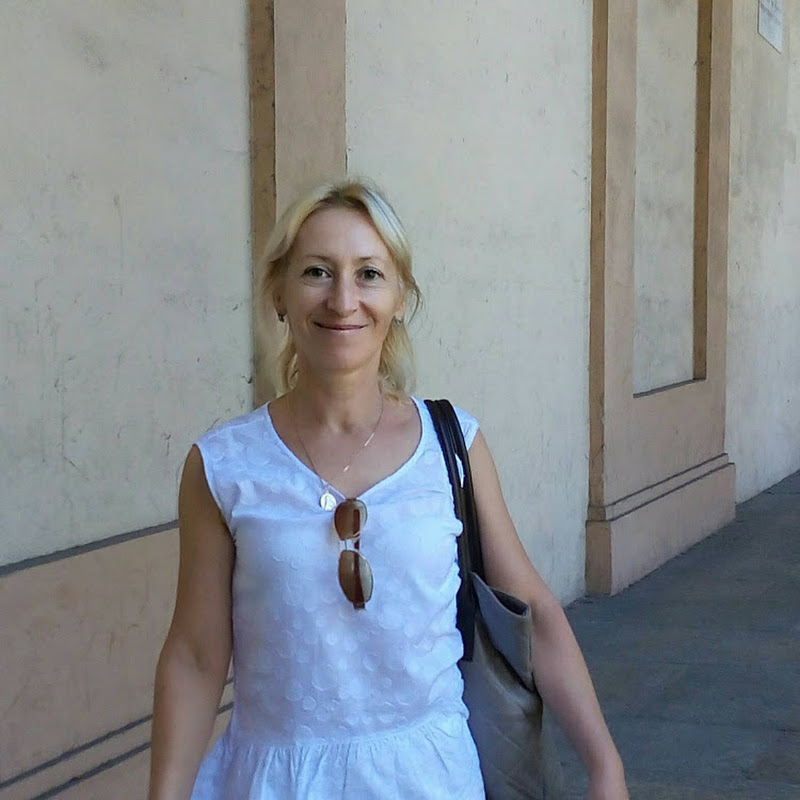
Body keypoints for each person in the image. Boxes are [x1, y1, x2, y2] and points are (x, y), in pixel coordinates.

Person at [148, 179, 629, 800]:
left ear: (401, 297)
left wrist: (605, 766)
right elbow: (195, 656)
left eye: (369, 274)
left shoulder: (453, 446)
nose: (343, 299)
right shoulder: (223, 465)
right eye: (317, 272)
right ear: (278, 294)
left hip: (429, 778)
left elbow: (532, 609)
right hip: (277, 781)